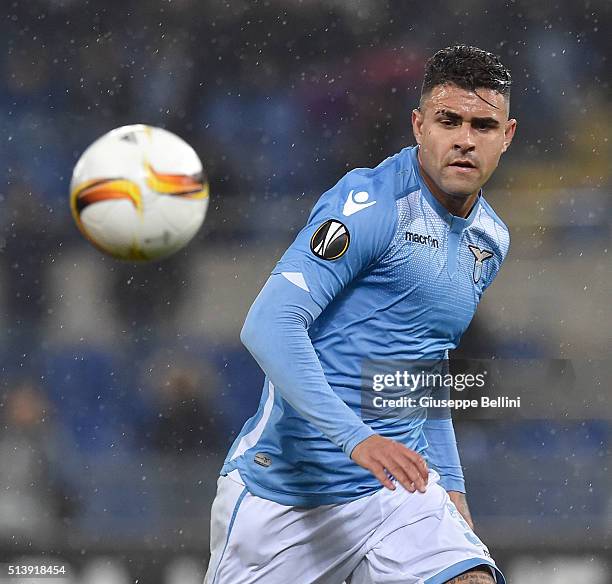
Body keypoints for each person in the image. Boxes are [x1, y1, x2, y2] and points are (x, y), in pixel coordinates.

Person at [204, 45, 517, 584]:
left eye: (483, 125)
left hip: (399, 493)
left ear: (506, 136)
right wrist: (358, 439)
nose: (465, 139)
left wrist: (453, 491)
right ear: (419, 126)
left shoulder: (489, 241)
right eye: (449, 121)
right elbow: (268, 325)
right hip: (286, 496)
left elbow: (425, 369)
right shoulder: (370, 204)